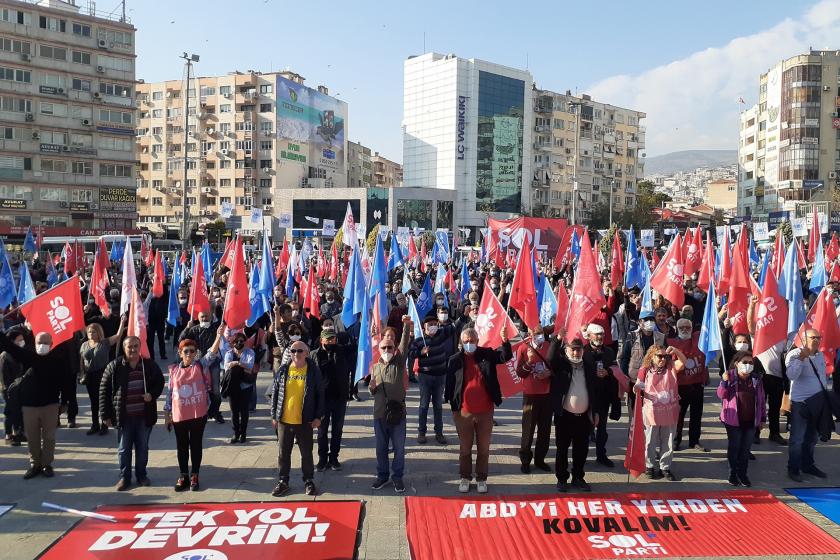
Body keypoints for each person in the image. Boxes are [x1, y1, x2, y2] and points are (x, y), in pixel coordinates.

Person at [445, 326, 511, 494]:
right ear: (461, 342)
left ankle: (481, 478)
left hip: (485, 411)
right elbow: (450, 385)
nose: (469, 344)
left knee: (483, 448)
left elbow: (505, 356)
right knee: (465, 448)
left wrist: (505, 341)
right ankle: (465, 477)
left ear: (477, 341)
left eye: (472, 341)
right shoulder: (454, 360)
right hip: (463, 412)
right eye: (466, 341)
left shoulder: (486, 354)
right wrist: (454, 408)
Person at [0, 329, 73, 478]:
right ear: (35, 343)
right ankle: (35, 464)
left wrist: (65, 401)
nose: (43, 345)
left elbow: (66, 382)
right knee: (32, 437)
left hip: (50, 405)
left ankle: (46, 464)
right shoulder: (28, 357)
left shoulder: (58, 361)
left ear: (51, 344)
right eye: (40, 342)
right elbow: (9, 346)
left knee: (49, 437)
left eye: (46, 343)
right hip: (29, 406)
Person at [100, 336, 165, 491]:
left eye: (136, 346)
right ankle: (125, 477)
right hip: (124, 416)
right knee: (124, 449)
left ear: (140, 347)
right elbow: (104, 390)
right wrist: (105, 415)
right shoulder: (115, 366)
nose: (133, 349)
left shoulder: (148, 365)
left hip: (143, 416)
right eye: (130, 347)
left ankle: (141, 475)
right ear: (124, 348)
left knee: (142, 448)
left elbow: (160, 382)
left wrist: (152, 394)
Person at [164, 327, 222, 492]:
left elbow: (211, 353)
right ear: (180, 353)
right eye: (186, 351)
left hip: (198, 414)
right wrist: (166, 414)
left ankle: (195, 474)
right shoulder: (174, 370)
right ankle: (183, 475)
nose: (189, 354)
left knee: (195, 444)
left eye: (192, 351)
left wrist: (218, 336)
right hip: (179, 414)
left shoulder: (200, 365)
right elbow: (169, 393)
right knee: (181, 446)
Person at [547, 337, 604, 492]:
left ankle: (578, 477)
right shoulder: (562, 365)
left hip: (584, 416)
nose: (575, 352)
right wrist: (557, 339)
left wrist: (595, 411)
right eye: (572, 348)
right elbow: (550, 359)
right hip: (564, 415)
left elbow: (594, 390)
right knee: (562, 449)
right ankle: (562, 479)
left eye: (578, 349)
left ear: (583, 351)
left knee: (581, 449)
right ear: (566, 350)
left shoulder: (589, 366)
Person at [269, 340, 325, 497]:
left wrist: (318, 417)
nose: (296, 354)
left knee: (306, 453)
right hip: (284, 421)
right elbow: (275, 392)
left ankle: (308, 480)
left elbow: (320, 395)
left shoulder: (313, 370)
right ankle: (283, 481)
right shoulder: (284, 369)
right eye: (293, 351)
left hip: (305, 421)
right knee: (283, 453)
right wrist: (274, 414)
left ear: (306, 353)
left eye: (300, 351)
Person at [370, 320, 412, 493]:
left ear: (394, 350)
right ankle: (382, 476)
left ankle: (397, 477)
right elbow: (375, 392)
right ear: (379, 350)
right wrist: (372, 389)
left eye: (390, 348)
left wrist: (407, 325)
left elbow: (404, 343)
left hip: (398, 414)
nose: (387, 351)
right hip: (379, 414)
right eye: (384, 348)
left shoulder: (399, 363)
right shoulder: (375, 367)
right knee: (381, 448)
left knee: (399, 448)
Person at [634, 344, 686, 481]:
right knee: (650, 440)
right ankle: (649, 466)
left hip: (670, 410)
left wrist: (675, 350)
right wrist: (636, 387)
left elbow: (684, 362)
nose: (663, 359)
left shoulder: (671, 367)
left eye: (665, 356)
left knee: (668, 440)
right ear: (652, 356)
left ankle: (665, 467)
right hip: (652, 410)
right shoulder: (645, 369)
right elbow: (639, 383)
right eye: (659, 356)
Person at [785, 329, 829, 482]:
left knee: (812, 438)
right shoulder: (794, 354)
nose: (816, 340)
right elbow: (792, 375)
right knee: (797, 439)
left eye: (818, 337)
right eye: (812, 337)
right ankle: (793, 468)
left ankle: (808, 465)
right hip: (801, 404)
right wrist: (801, 359)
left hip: (818, 403)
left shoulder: (820, 355)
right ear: (804, 339)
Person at [718, 351, 766, 487]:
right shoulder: (730, 377)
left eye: (750, 363)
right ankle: (733, 473)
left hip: (751, 421)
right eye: (744, 362)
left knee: (745, 450)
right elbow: (721, 395)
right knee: (734, 448)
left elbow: (761, 400)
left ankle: (743, 474)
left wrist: (762, 418)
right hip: (733, 421)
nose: (748, 365)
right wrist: (724, 382)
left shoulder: (756, 379)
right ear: (737, 364)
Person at [311, 327, 355, 471]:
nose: (331, 341)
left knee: (337, 429)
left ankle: (334, 457)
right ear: (322, 339)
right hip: (322, 399)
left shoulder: (342, 351)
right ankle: (322, 458)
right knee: (322, 430)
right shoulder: (314, 355)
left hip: (339, 398)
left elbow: (358, 346)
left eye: (333, 338)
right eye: (328, 338)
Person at [407, 314, 453, 445]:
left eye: (435, 324)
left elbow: (453, 327)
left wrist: (463, 316)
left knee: (438, 406)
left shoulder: (441, 334)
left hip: (440, 376)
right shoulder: (419, 340)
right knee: (424, 405)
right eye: (430, 325)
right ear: (424, 327)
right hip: (425, 377)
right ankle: (421, 432)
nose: (433, 327)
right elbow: (410, 354)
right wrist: (420, 352)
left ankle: (439, 433)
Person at [747, 296, 787, 445]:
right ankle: (756, 433)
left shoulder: (782, 337)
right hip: (761, 376)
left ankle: (774, 433)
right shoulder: (758, 334)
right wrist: (752, 305)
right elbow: (750, 325)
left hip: (777, 377)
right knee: (758, 406)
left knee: (775, 408)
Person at [668, 318, 710, 452]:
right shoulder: (671, 343)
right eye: (681, 327)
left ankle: (694, 441)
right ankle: (676, 440)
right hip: (680, 386)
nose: (685, 329)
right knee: (678, 416)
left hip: (697, 384)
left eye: (687, 327)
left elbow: (710, 325)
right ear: (676, 329)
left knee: (696, 415)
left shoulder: (699, 338)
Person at [515, 325, 552, 474]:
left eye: (541, 333)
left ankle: (540, 459)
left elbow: (555, 365)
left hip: (546, 393)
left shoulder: (549, 346)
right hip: (530, 394)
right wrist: (529, 362)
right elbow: (519, 372)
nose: (539, 336)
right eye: (536, 334)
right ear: (530, 334)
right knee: (528, 430)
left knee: (545, 430)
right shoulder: (523, 348)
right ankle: (525, 460)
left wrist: (549, 373)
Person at [80, 319, 126, 436]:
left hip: (101, 374)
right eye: (89, 332)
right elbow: (81, 359)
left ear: (99, 333)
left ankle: (104, 424)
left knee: (103, 400)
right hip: (89, 375)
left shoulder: (104, 343)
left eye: (93, 332)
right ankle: (94, 424)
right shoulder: (84, 344)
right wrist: (81, 373)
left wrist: (122, 322)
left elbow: (117, 336)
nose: (91, 334)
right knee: (93, 401)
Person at [584, 323, 620, 468]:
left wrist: (608, 373)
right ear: (589, 335)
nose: (600, 337)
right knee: (586, 428)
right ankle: (582, 455)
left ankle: (601, 455)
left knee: (602, 429)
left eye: (602, 334)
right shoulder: (583, 351)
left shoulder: (609, 352)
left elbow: (615, 370)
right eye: (597, 334)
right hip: (587, 396)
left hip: (604, 396)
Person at [180, 311, 225, 424]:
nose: (204, 318)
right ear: (198, 318)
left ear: (210, 317)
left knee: (215, 390)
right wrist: (186, 328)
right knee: (199, 389)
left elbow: (224, 320)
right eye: (202, 317)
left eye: (206, 316)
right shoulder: (194, 330)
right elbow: (181, 341)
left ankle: (215, 412)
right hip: (198, 363)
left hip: (213, 362)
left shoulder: (215, 328)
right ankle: (202, 412)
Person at [223, 331, 256, 443]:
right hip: (233, 386)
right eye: (236, 341)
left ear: (245, 342)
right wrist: (241, 365)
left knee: (244, 411)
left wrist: (237, 363)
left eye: (241, 341)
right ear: (233, 343)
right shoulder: (228, 353)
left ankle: (243, 433)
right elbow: (227, 368)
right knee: (234, 411)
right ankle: (236, 433)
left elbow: (250, 367)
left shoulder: (249, 352)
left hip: (245, 386)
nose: (239, 343)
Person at [0, 326, 26, 445]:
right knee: (10, 412)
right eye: (19, 340)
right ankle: (9, 434)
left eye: (22, 339)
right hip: (8, 389)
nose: (22, 342)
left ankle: (18, 433)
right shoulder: (5, 356)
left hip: (19, 387)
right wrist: (8, 390)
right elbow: (3, 376)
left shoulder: (19, 353)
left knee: (18, 411)